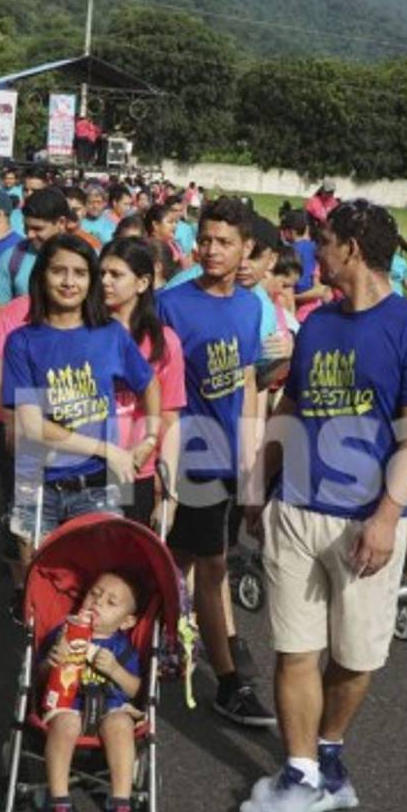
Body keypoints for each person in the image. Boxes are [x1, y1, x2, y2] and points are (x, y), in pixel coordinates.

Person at [240, 199, 407, 812]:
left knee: (356, 657)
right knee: (294, 649)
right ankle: (300, 769)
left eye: (323, 242)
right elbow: (290, 410)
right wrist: (257, 483)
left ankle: (329, 750)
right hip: (297, 509)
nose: (313, 254)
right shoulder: (320, 325)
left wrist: (387, 515)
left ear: (351, 248)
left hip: (366, 519)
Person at [157, 197, 275, 726]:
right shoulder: (172, 304)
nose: (210, 250)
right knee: (213, 567)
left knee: (177, 560)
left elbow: (247, 383)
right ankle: (229, 683)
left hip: (229, 458)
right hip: (188, 456)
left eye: (224, 242)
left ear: (246, 247)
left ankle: (152, 646)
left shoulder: (251, 305)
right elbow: (155, 386)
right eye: (204, 239)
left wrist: (251, 464)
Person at [2, 233, 160, 574]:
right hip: (36, 486)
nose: (69, 282)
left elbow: (149, 383)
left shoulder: (111, 335)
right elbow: (32, 426)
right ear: (42, 275)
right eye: (59, 271)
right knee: (42, 597)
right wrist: (108, 449)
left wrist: (150, 437)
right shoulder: (21, 341)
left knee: (91, 592)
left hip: (96, 489)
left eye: (80, 272)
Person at [39, 571, 145, 812]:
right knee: (66, 723)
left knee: (121, 725)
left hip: (110, 707)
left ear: (126, 621)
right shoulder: (63, 632)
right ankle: (59, 804)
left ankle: (120, 806)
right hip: (68, 703)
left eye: (111, 602)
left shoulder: (122, 647)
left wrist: (115, 670)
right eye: (94, 594)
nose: (97, 603)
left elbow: (136, 689)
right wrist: (51, 662)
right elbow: (38, 677)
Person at [100, 237, 185, 528]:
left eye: (116, 275)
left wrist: (170, 497)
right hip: (86, 470)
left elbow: (169, 419)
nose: (105, 282)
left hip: (138, 474)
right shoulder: (82, 334)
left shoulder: (165, 342)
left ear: (142, 282)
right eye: (101, 274)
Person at [0, 187, 70, 330]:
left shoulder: (85, 256)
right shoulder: (12, 258)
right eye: (27, 227)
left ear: (61, 223)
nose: (30, 235)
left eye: (38, 229)